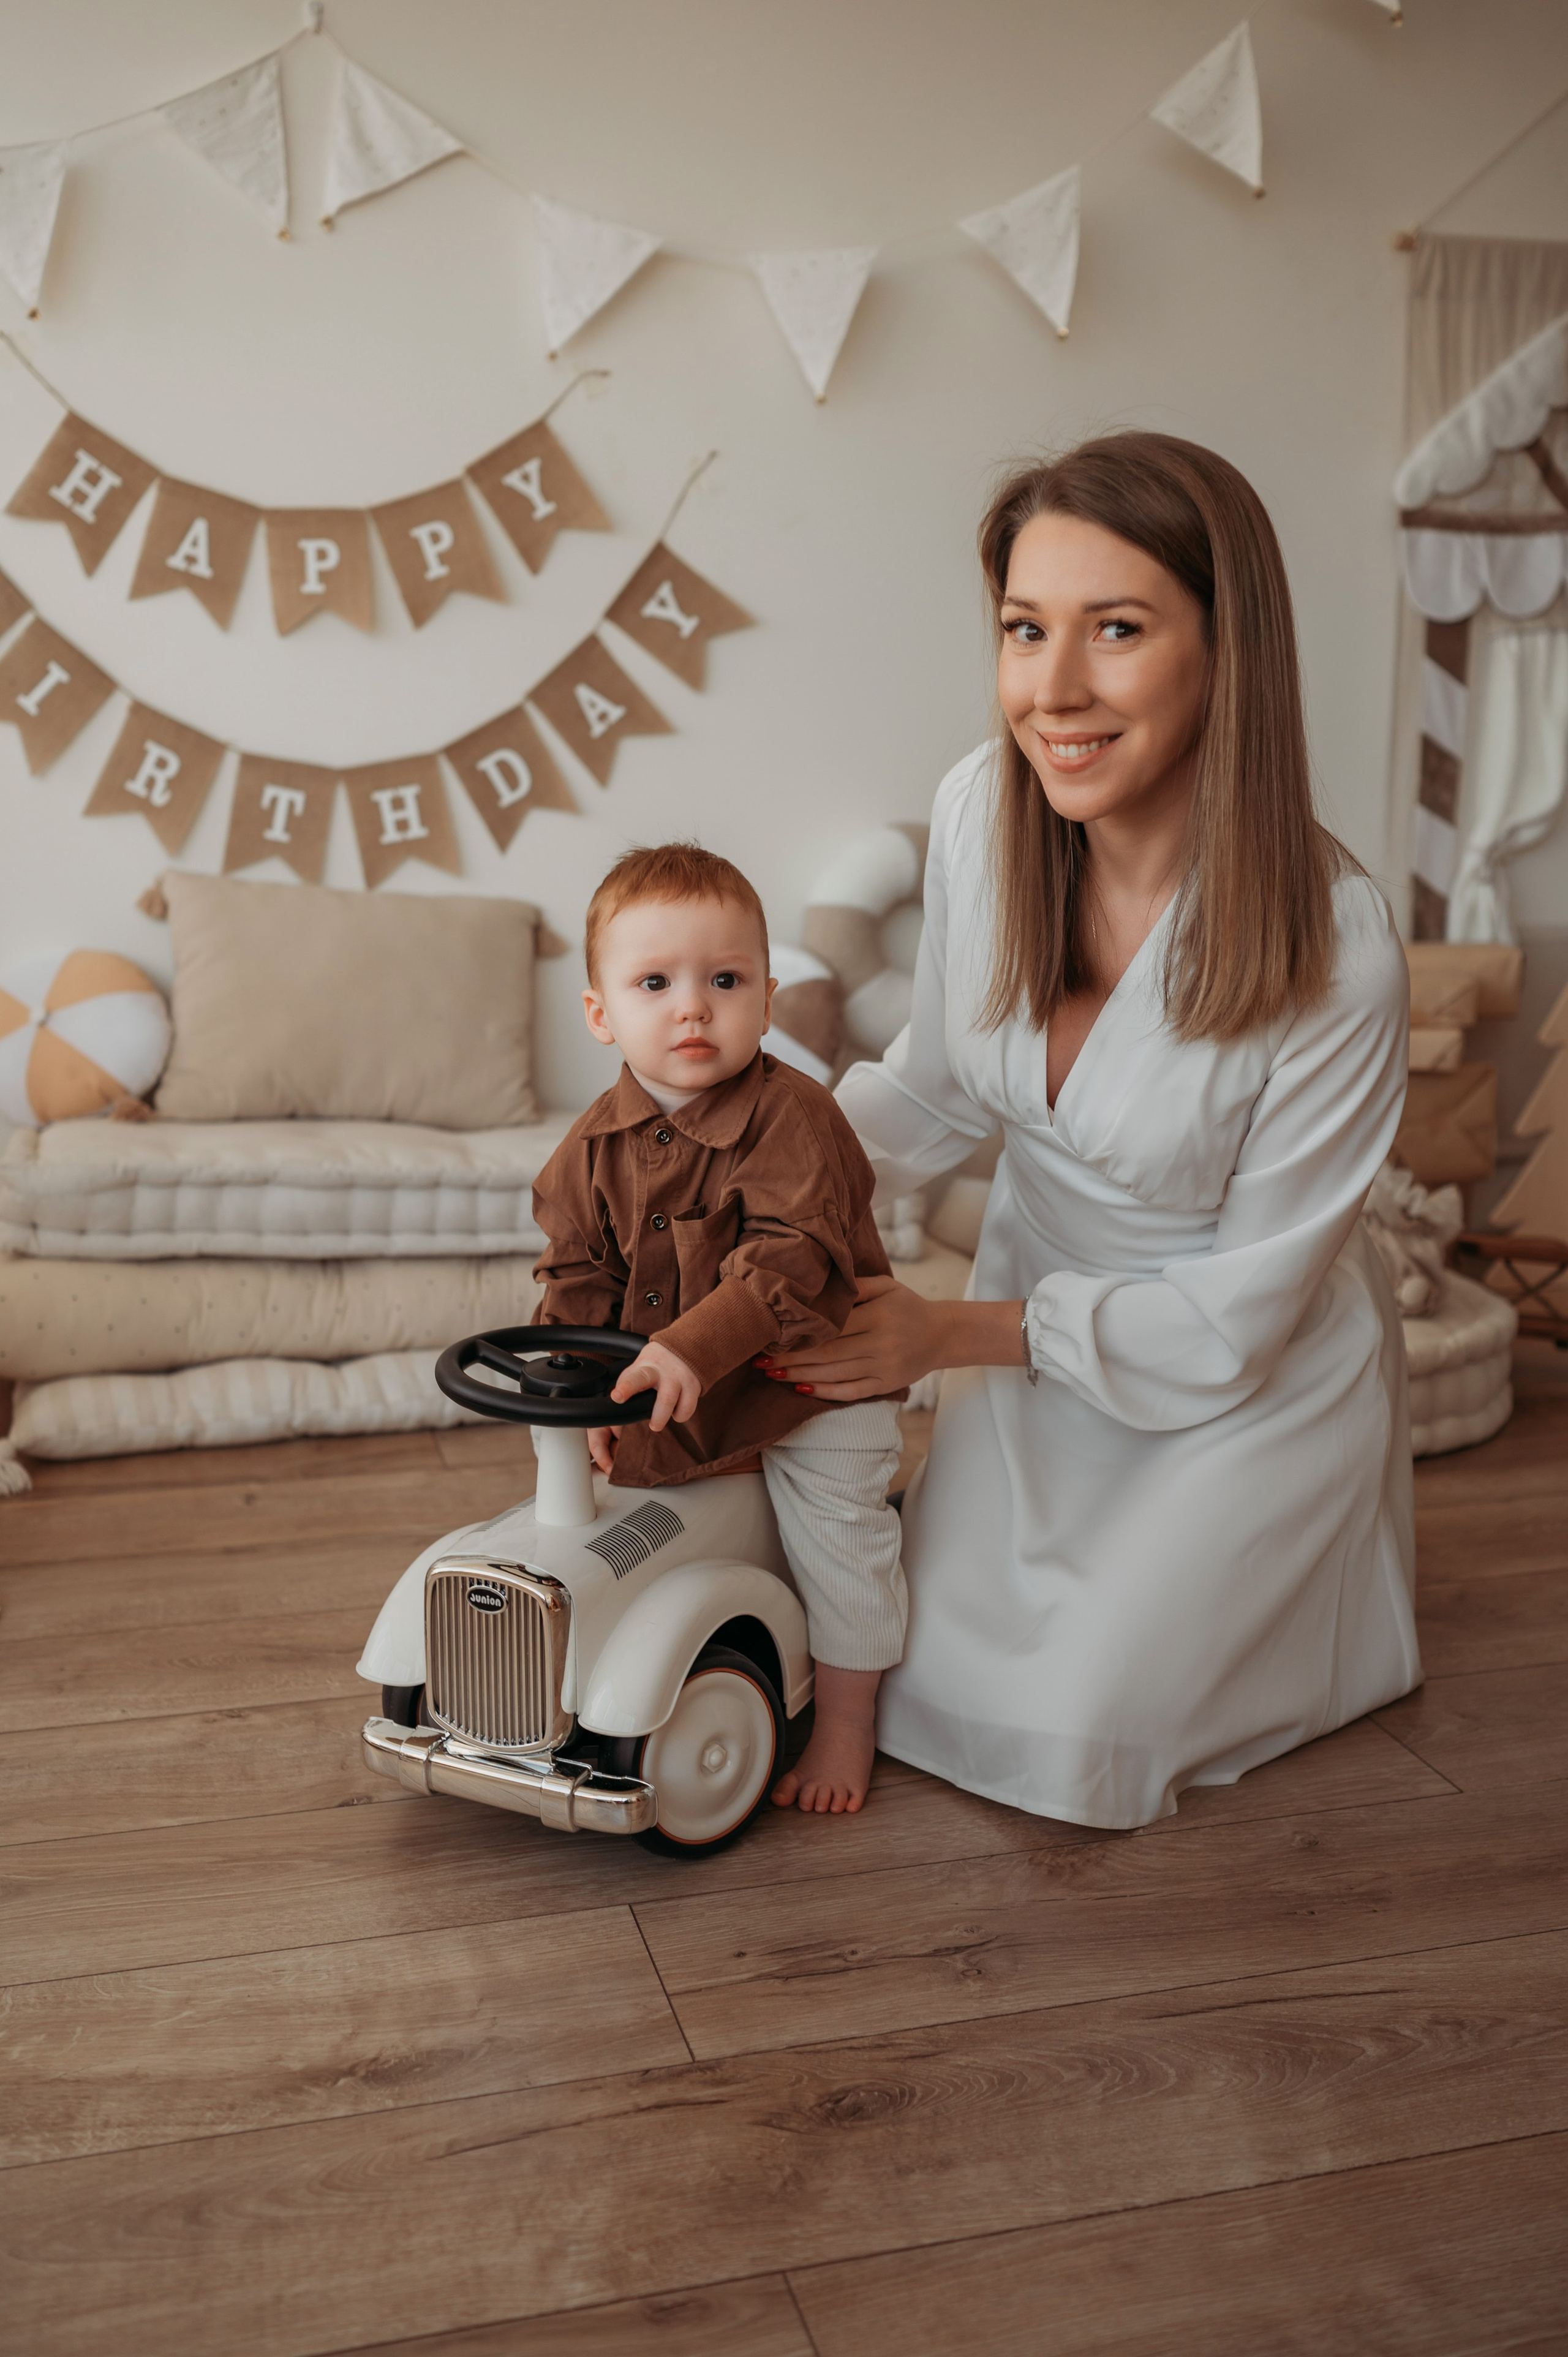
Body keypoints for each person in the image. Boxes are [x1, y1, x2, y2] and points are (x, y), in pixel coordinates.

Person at [757, 429, 1419, 1831]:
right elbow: (934, 1090)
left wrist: (941, 1336)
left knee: (1070, 1745)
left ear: (1223, 650)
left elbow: (1233, 1324)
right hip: (1030, 1344)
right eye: (1021, 630)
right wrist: (750, 1167)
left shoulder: (1337, 945)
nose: (1050, 691)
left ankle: (1314, 1588)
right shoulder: (974, 818)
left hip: (1231, 1375)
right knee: (892, 1678)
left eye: (1113, 630)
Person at [531, 842, 907, 1816]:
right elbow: (576, 1277)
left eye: (725, 980)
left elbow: (788, 1262)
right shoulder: (588, 1150)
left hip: (812, 1380)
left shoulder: (797, 1120)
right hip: (682, 1392)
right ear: (602, 1012)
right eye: (656, 982)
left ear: (768, 1001)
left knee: (840, 1533)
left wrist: (691, 1348)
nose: (693, 1006)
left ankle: (848, 1722)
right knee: (608, 1521)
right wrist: (580, 1400)